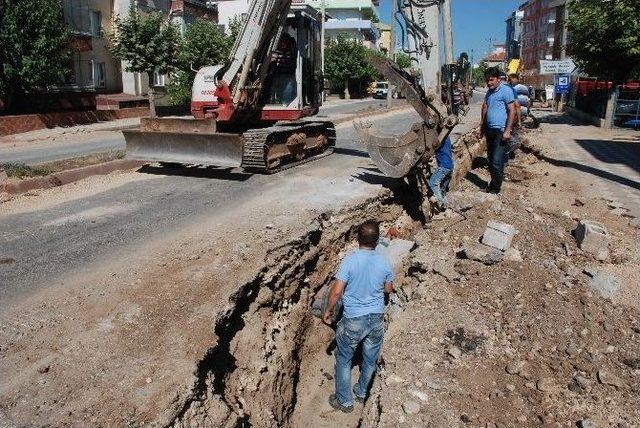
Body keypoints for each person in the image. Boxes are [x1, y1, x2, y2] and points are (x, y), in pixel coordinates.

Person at [323, 221, 394, 413]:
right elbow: (388, 289)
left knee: (344, 359)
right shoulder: (384, 260)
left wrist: (328, 311)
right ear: (377, 240)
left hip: (354, 319)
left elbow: (337, 292)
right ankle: (362, 392)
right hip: (376, 318)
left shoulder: (350, 260)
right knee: (370, 359)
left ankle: (345, 401)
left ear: (357, 239)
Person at [479, 67, 517, 194]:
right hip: (490, 130)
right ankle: (492, 185)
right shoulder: (489, 92)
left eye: (491, 80)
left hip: (501, 131)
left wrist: (508, 130)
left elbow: (512, 110)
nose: (489, 83)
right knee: (490, 160)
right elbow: (485, 107)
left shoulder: (506, 90)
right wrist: (482, 127)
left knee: (496, 161)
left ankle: (495, 189)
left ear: (498, 79)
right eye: (487, 81)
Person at [428, 135, 454, 207]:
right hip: (450, 166)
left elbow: (430, 150)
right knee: (442, 189)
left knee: (433, 183)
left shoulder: (439, 139)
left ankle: (440, 203)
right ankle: (446, 207)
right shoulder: (447, 137)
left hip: (443, 167)